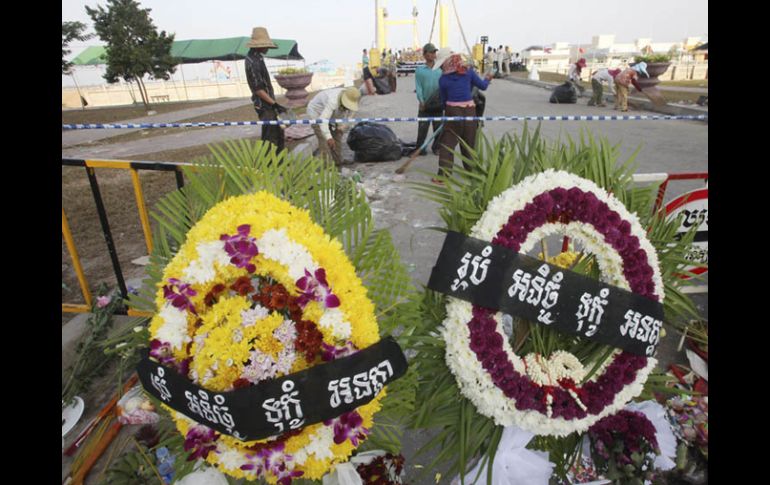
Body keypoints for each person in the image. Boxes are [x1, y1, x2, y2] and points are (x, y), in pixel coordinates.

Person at [434, 48, 492, 183]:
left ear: (446, 62)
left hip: (452, 111)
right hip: (470, 111)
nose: (441, 67)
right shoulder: (469, 72)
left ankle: (443, 176)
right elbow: (483, 86)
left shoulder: (443, 79)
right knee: (469, 144)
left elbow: (443, 100)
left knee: (447, 144)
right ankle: (472, 174)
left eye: (441, 64)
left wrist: (448, 113)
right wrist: (487, 79)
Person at [245, 27, 286, 153]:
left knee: (279, 134)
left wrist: (274, 104)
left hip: (269, 104)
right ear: (259, 46)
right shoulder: (252, 61)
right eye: (266, 45)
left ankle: (280, 160)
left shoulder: (258, 58)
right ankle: (269, 162)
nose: (267, 48)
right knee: (270, 138)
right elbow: (258, 89)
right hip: (264, 106)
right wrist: (274, 104)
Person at [305, 86, 361, 166]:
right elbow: (323, 120)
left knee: (337, 135)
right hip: (317, 113)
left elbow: (350, 115)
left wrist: (342, 126)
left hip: (332, 115)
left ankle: (338, 161)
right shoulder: (333, 100)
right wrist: (329, 137)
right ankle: (327, 166)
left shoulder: (353, 97)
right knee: (324, 139)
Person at [414, 43, 443, 156]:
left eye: (434, 52)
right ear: (425, 54)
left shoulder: (440, 69)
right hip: (424, 104)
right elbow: (418, 87)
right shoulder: (420, 70)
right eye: (431, 52)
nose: (433, 54)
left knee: (438, 128)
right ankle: (420, 148)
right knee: (422, 129)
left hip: (438, 104)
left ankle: (436, 147)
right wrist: (421, 101)